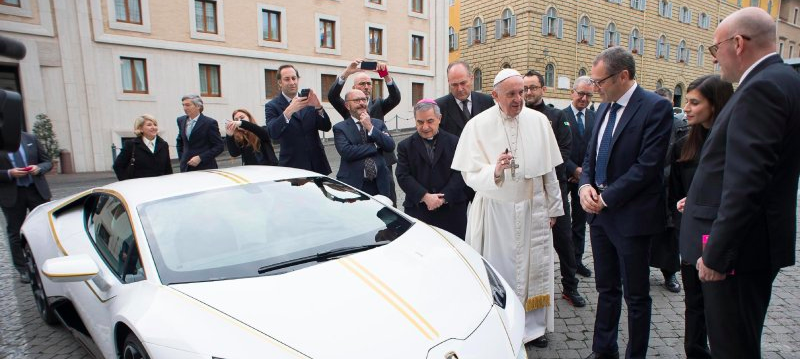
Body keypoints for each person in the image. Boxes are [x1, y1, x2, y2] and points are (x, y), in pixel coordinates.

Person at [679, 7, 800, 358]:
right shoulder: (784, 79)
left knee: (732, 348)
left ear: (738, 43)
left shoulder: (761, 87)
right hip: (754, 246)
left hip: (739, 254)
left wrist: (716, 255)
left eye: (715, 48)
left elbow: (747, 182)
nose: (714, 59)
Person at [452, 68, 563, 349]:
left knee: (533, 268)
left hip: (532, 208)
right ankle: (503, 326)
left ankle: (534, 328)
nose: (518, 99)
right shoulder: (478, 125)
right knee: (501, 271)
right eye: (511, 94)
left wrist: (553, 209)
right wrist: (495, 171)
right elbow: (468, 173)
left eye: (521, 92)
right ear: (495, 95)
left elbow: (549, 171)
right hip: (496, 212)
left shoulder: (539, 121)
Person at [579, 47, 673, 359]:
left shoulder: (655, 107)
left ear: (623, 75)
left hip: (632, 218)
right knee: (606, 289)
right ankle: (604, 350)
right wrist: (585, 186)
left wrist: (606, 198)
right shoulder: (604, 108)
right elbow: (590, 157)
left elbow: (648, 166)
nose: (595, 88)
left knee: (636, 296)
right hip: (600, 217)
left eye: (599, 82)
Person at [669, 75, 733, 359]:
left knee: (721, 311)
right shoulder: (684, 144)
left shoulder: (734, 144)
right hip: (692, 238)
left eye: (695, 103)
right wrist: (684, 204)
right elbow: (675, 193)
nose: (686, 108)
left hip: (721, 240)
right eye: (687, 101)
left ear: (715, 104)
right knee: (694, 305)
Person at [523, 70, 585, 312]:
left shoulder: (557, 116)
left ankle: (570, 286)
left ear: (543, 89)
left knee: (564, 240)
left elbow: (564, 151)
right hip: (525, 191)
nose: (528, 92)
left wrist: (543, 173)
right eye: (525, 88)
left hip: (553, 188)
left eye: (533, 87)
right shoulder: (518, 115)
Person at [328, 59, 401, 204]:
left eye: (369, 84)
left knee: (388, 200)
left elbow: (395, 98)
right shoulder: (348, 106)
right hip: (357, 166)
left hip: (382, 161)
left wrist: (385, 75)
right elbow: (333, 97)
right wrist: (346, 73)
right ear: (354, 87)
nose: (366, 87)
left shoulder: (378, 104)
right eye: (362, 84)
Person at [395, 99, 467, 239]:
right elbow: (403, 175)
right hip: (419, 210)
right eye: (420, 122)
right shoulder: (405, 146)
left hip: (451, 210)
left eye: (430, 121)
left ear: (439, 118)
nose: (425, 127)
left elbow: (460, 172)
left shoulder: (454, 142)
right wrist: (425, 196)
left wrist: (443, 198)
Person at [0, 132, 52, 283]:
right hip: (12, 194)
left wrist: (39, 168)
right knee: (15, 233)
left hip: (36, 191)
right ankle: (23, 269)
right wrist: (9, 173)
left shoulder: (30, 138)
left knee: (45, 228)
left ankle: (48, 263)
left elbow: (47, 162)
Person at [648, 87, 685, 293]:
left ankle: (669, 273)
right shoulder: (647, 123)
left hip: (672, 188)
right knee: (646, 233)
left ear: (671, 104)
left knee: (670, 236)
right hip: (649, 188)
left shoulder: (681, 126)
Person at [266, 64, 332, 175]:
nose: (292, 82)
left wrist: (318, 107)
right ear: (280, 82)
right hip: (292, 166)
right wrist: (288, 111)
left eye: (294, 78)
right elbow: (273, 133)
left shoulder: (309, 100)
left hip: (317, 164)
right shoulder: (272, 106)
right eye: (287, 79)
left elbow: (326, 127)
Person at [562, 76, 597, 278]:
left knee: (580, 224)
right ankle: (566, 262)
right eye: (581, 94)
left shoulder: (594, 117)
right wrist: (573, 169)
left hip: (584, 180)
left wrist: (584, 173)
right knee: (563, 223)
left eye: (588, 95)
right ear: (572, 92)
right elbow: (557, 149)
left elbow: (595, 148)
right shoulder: (561, 116)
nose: (584, 99)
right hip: (565, 177)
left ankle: (577, 260)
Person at [332, 89, 395, 197]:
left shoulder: (378, 124)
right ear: (347, 105)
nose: (361, 103)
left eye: (364, 100)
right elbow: (347, 152)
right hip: (353, 184)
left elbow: (390, 145)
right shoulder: (340, 128)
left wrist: (370, 127)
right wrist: (375, 146)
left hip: (380, 184)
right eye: (357, 100)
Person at [436, 61, 495, 137]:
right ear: (449, 82)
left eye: (463, 83)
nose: (460, 89)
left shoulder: (487, 102)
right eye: (454, 85)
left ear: (471, 78)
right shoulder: (439, 107)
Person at [113, 114, 173, 180]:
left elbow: (168, 168)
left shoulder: (164, 145)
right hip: (139, 185)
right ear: (140, 128)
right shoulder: (131, 145)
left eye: (155, 125)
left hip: (160, 184)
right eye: (149, 125)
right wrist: (127, 182)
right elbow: (118, 166)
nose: (153, 127)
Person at [175, 94, 224, 172]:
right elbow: (180, 142)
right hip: (186, 167)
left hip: (205, 167)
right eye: (183, 105)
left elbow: (219, 146)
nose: (184, 108)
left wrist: (201, 158)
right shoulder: (181, 120)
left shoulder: (210, 123)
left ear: (198, 106)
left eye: (187, 105)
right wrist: (182, 158)